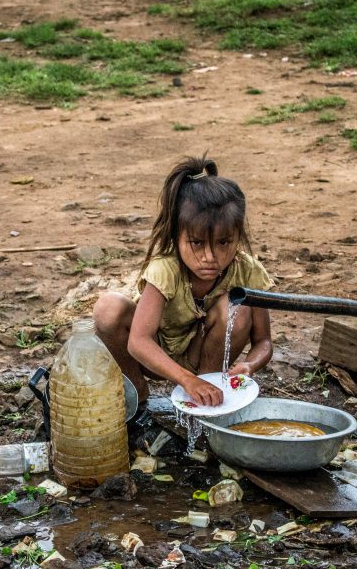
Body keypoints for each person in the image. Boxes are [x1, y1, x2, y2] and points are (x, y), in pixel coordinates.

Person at [94, 155, 274, 406]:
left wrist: (249, 364)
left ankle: (205, 399)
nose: (210, 257)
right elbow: (138, 341)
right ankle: (136, 394)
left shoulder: (247, 271)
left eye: (223, 242)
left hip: (206, 360)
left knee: (238, 307)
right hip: (156, 360)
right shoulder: (165, 269)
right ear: (177, 237)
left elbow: (264, 341)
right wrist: (186, 380)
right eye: (197, 243)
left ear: (238, 236)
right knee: (108, 308)